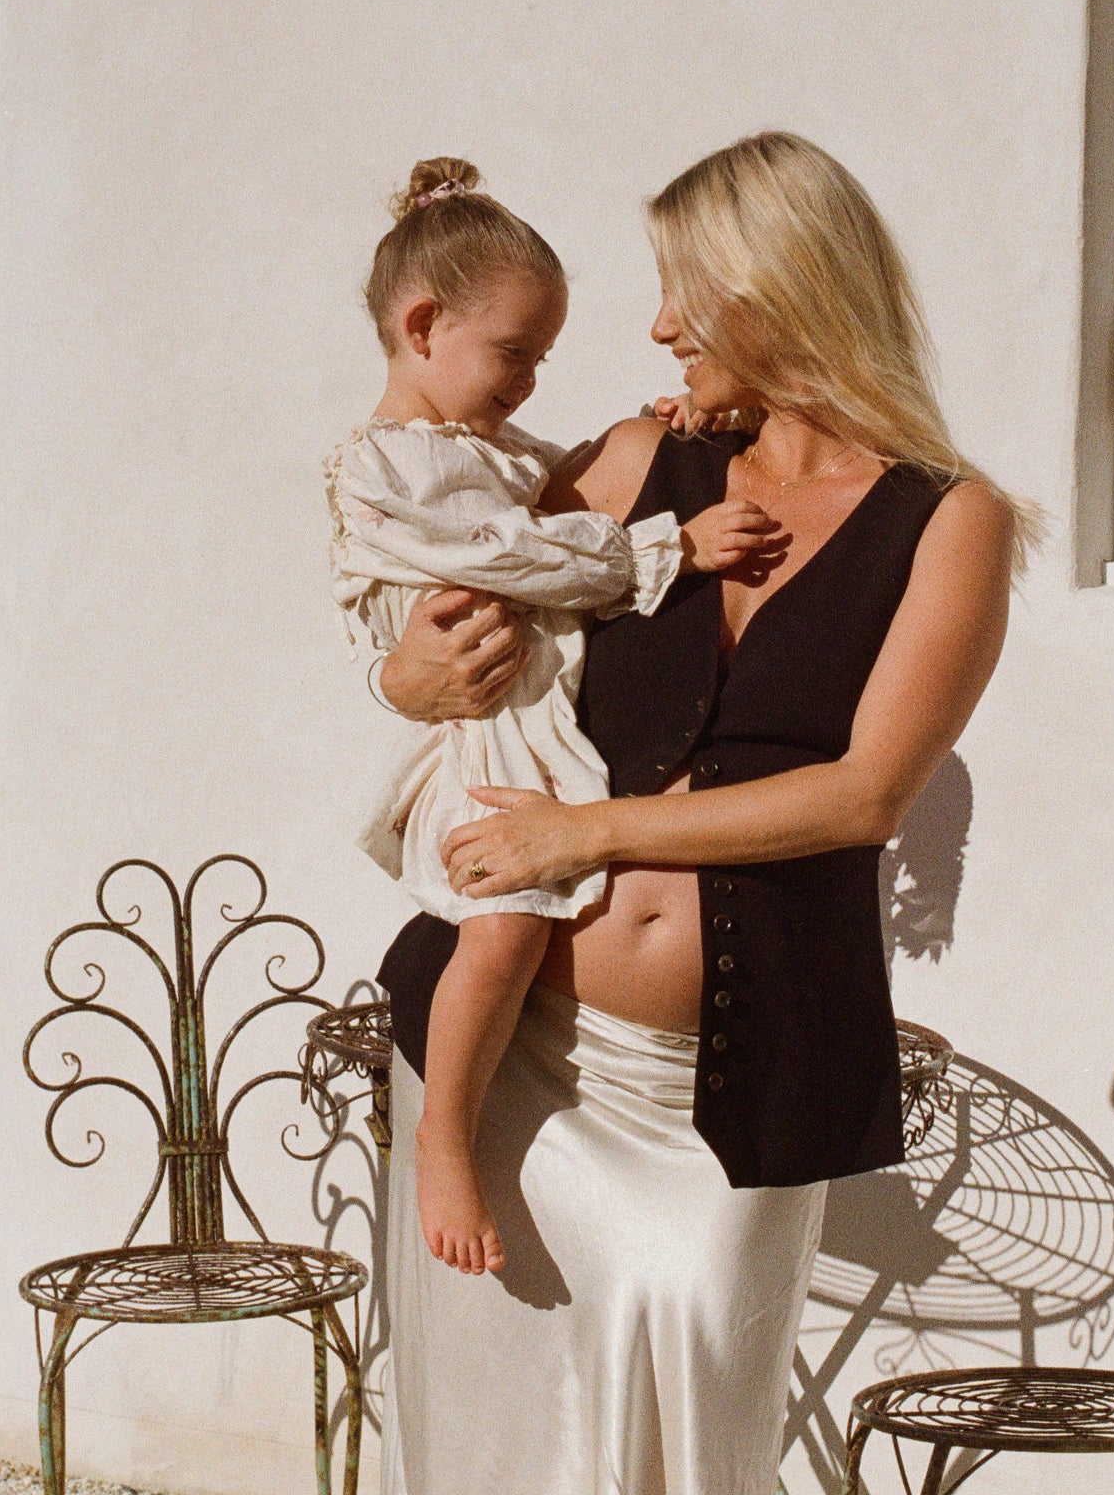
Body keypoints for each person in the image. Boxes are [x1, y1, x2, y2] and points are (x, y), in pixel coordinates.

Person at [361, 132, 1029, 1495]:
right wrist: (409, 664)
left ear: (787, 294)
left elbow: (857, 797)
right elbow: (429, 590)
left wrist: (597, 824)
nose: (650, 333)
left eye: (683, 291)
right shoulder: (629, 467)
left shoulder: (951, 520)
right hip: (518, 1074)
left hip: (729, 1085)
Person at [327, 157, 777, 1272]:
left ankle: (452, 1125)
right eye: (513, 353)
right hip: (486, 735)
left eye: (539, 359)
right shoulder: (377, 467)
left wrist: (663, 427)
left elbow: (565, 481)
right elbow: (515, 550)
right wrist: (665, 543)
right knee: (509, 922)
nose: (527, 382)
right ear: (421, 325)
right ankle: (443, 1136)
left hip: (527, 719)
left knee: (521, 915)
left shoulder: (481, 447)